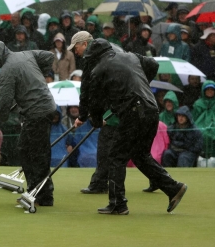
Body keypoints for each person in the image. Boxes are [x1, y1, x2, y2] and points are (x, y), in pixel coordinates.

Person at [73, 37, 187, 215]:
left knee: (116, 156)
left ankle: (118, 204)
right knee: (140, 155)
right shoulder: (130, 57)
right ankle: (173, 188)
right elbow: (152, 64)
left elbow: (94, 102)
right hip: (151, 110)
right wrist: (141, 85)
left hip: (134, 113)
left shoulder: (98, 70)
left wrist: (96, 122)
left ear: (94, 55)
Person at [0, 40, 57, 206]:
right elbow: (49, 56)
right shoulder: (26, 54)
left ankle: (41, 194)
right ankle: (38, 191)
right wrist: (36, 77)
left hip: (37, 111)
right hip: (45, 107)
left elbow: (5, 99)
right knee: (29, 150)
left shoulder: (7, 70)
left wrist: (1, 116)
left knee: (35, 154)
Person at [192, 80, 215, 158]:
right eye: (207, 89)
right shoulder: (198, 104)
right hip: (201, 129)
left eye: (212, 89)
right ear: (203, 91)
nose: (210, 91)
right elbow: (194, 119)